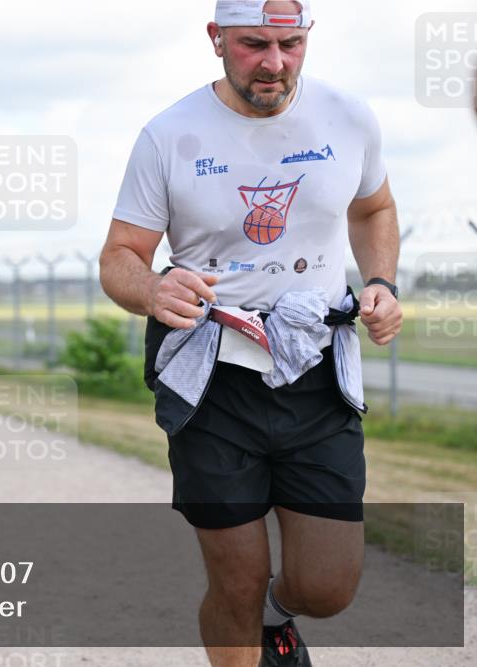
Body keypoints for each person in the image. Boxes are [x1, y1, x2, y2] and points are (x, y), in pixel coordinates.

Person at [99, 2, 402, 666]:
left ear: (308, 37)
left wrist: (381, 280)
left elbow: (374, 206)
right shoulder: (168, 135)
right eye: (253, 44)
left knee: (326, 586)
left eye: (290, 43)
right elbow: (118, 255)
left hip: (316, 375)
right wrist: (153, 287)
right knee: (234, 581)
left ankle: (277, 619)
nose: (274, 62)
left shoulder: (348, 117)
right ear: (216, 40)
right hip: (212, 381)